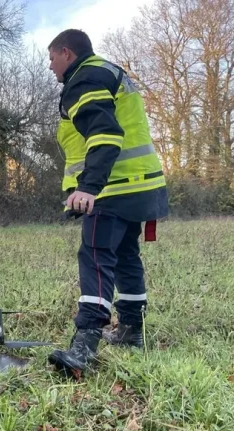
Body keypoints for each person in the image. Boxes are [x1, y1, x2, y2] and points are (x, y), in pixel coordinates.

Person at [45, 29, 170, 376]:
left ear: (67, 53)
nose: (51, 67)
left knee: (96, 257)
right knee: (126, 255)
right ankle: (131, 331)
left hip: (112, 188)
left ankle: (85, 343)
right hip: (142, 183)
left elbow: (105, 135)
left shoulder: (84, 78)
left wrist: (88, 187)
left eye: (52, 58)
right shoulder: (110, 72)